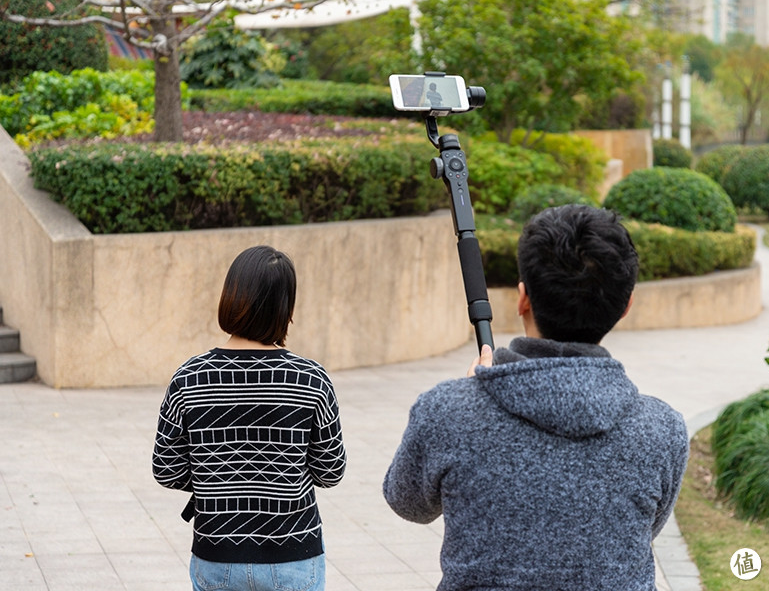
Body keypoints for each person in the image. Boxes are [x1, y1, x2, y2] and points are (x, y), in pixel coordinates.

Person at [383, 205, 689, 590]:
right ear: (626, 306)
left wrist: (465, 400)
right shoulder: (663, 430)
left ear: (522, 299)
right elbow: (645, 528)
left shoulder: (446, 410)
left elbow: (406, 502)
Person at [153, 245, 346, 591]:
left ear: (231, 296)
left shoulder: (189, 377)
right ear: (285, 308)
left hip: (216, 554)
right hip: (294, 554)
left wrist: (216, 481)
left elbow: (166, 470)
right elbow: (330, 471)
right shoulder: (311, 379)